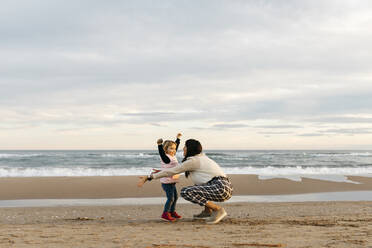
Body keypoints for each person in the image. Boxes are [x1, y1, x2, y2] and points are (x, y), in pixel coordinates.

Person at [138, 139, 233, 224]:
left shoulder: (193, 161)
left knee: (186, 192)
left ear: (190, 149)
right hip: (224, 186)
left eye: (185, 146)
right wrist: (160, 171)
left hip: (220, 187)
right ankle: (207, 211)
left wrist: (150, 177)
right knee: (198, 185)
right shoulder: (200, 158)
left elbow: (172, 171)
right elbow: (173, 170)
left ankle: (217, 209)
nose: (183, 148)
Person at [155, 133, 182, 222]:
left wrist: (178, 139)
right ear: (165, 149)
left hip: (172, 181)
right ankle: (165, 213)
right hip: (166, 182)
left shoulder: (172, 155)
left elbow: (176, 147)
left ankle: (172, 211)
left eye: (174, 148)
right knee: (170, 198)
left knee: (175, 197)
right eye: (171, 148)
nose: (173, 150)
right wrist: (159, 145)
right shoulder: (165, 157)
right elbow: (161, 154)